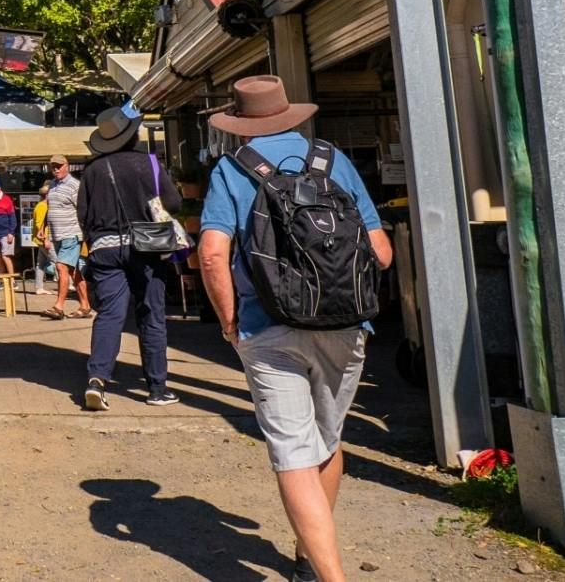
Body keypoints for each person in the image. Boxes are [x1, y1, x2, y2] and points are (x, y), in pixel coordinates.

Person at [197, 76, 393, 582]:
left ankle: (330, 576)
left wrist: (229, 321)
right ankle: (308, 558)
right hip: (347, 324)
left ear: (238, 125)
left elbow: (212, 254)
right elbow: (383, 253)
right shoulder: (332, 160)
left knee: (291, 451)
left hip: (268, 326)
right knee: (326, 444)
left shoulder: (231, 169)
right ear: (291, 115)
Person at [76, 102, 182, 411]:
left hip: (105, 249)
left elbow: (83, 214)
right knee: (151, 314)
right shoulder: (148, 163)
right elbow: (173, 202)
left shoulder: (93, 170)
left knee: (110, 314)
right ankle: (158, 389)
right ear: (132, 136)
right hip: (148, 247)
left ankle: (97, 380)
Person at [40, 154, 91, 320]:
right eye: (53, 166)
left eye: (59, 166)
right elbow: (51, 209)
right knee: (73, 271)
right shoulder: (53, 185)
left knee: (61, 267)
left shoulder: (75, 185)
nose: (56, 169)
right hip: (57, 235)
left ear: (67, 166)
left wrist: (87, 233)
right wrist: (43, 228)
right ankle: (85, 306)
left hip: (71, 234)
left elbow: (84, 209)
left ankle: (59, 307)